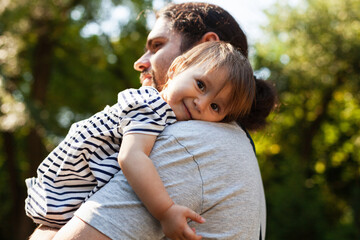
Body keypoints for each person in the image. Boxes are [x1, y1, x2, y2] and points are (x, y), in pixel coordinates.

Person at [29, 2, 276, 240]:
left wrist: (166, 211)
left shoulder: (188, 142)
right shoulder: (227, 140)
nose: (140, 62)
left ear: (206, 48)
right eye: (200, 85)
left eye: (157, 45)